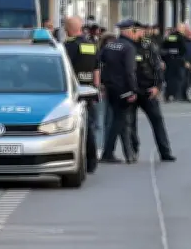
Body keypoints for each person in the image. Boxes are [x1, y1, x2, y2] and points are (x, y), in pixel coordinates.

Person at [130, 23, 176, 161]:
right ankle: (133, 150)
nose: (140, 33)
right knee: (131, 123)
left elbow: (157, 67)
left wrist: (158, 86)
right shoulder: (126, 46)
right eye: (136, 31)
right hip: (132, 89)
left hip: (148, 89)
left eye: (140, 31)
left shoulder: (149, 46)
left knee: (157, 120)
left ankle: (165, 151)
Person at [62, 16, 100, 173]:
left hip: (73, 91)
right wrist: (96, 88)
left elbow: (64, 69)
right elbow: (96, 69)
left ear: (67, 29)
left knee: (75, 127)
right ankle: (92, 161)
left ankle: (76, 160)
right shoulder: (91, 45)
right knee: (89, 125)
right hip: (89, 90)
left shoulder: (68, 46)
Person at [99, 20, 140, 163]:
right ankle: (108, 153)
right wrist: (133, 90)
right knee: (119, 120)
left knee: (119, 120)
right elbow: (130, 71)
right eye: (134, 31)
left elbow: (100, 63)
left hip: (110, 87)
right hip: (124, 89)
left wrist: (102, 83)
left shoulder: (110, 45)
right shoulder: (128, 47)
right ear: (128, 31)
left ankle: (128, 153)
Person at [161, 23, 189, 102]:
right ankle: (176, 95)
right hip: (179, 60)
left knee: (169, 78)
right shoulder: (182, 37)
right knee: (179, 78)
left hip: (169, 60)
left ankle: (168, 94)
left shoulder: (171, 36)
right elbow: (184, 50)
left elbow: (165, 46)